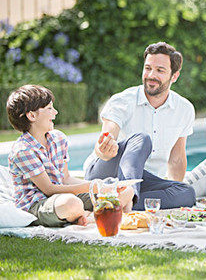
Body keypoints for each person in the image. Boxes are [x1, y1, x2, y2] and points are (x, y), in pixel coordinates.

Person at [6, 85, 134, 227]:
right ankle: (88, 215)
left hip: (63, 196)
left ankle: (86, 217)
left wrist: (103, 187)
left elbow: (66, 178)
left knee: (127, 192)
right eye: (49, 108)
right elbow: (49, 189)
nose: (55, 112)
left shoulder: (58, 138)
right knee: (71, 204)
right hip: (37, 204)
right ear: (32, 115)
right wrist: (92, 186)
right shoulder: (23, 151)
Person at [84, 41, 195, 182]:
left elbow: (177, 158)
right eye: (148, 68)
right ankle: (128, 195)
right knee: (142, 140)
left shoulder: (184, 109)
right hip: (108, 173)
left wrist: (176, 187)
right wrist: (105, 148)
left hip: (147, 179)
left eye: (160, 70)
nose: (151, 75)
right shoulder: (122, 101)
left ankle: (128, 198)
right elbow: (105, 142)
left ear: (174, 76)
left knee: (186, 193)